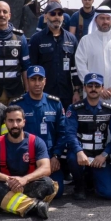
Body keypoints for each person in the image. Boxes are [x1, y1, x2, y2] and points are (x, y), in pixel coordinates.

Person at [0, 104, 57, 219]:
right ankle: (35, 207)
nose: (15, 125)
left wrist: (24, 179)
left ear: (24, 122)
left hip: (28, 184)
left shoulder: (36, 142)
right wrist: (9, 180)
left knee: (49, 184)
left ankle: (1, 205)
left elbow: (46, 168)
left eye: (18, 120)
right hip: (6, 185)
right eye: (10, 121)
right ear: (5, 122)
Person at [12, 66, 72, 196]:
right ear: (27, 81)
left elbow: (62, 133)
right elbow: (11, 134)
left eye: (40, 79)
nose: (37, 83)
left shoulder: (55, 103)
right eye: (33, 79)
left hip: (49, 158)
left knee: (57, 191)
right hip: (25, 157)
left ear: (45, 81)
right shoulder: (18, 104)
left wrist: (56, 156)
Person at [65, 73, 111, 199]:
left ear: (102, 88)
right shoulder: (74, 109)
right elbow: (70, 134)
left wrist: (104, 154)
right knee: (72, 157)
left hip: (99, 156)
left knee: (109, 194)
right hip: (81, 155)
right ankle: (79, 185)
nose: (93, 89)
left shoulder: (109, 109)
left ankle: (91, 179)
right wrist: (79, 151)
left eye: (97, 86)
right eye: (90, 86)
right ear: (84, 88)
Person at [74, 5, 111, 110]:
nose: (105, 21)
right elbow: (81, 67)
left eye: (108, 18)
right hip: (93, 93)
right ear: (96, 20)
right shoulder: (86, 40)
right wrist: (96, 88)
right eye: (102, 18)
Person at [29, 1, 81, 105]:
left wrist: (76, 91)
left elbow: (75, 68)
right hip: (44, 95)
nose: (56, 17)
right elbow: (31, 68)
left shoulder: (71, 39)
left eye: (59, 14)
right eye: (53, 14)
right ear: (45, 16)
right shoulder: (36, 39)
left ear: (63, 17)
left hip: (66, 94)